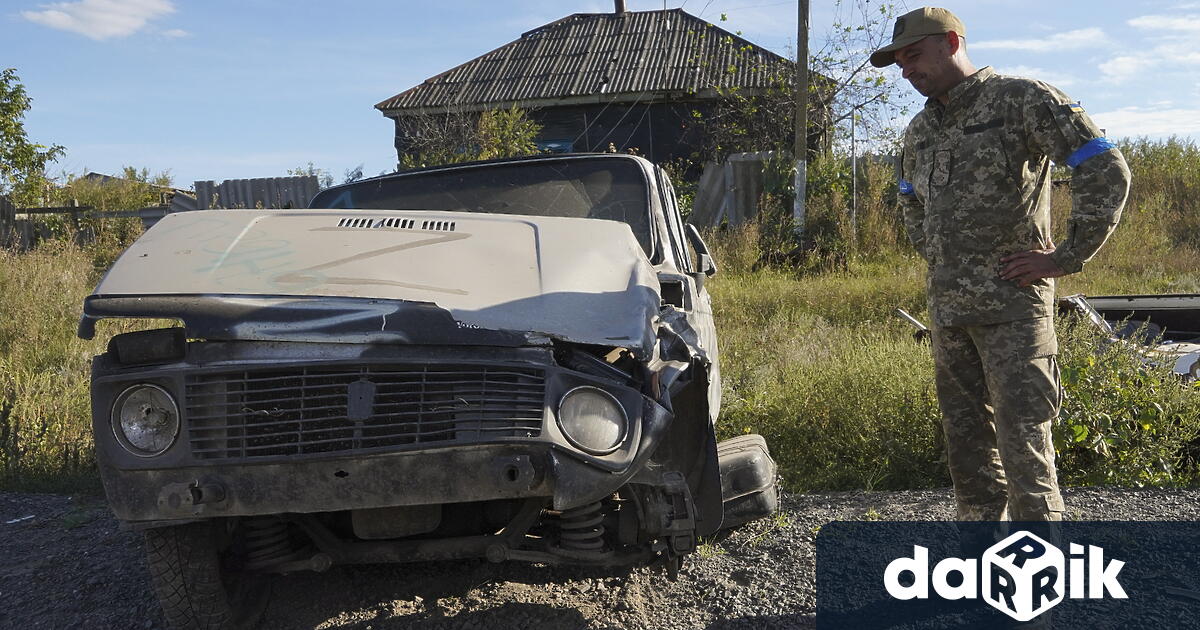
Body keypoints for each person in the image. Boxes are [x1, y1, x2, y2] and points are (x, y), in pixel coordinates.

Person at [870, 7, 1131, 522]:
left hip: (1014, 310)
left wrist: (1065, 257)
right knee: (968, 457)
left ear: (949, 43)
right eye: (899, 63)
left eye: (913, 56)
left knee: (1024, 450)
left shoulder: (1021, 99)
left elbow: (1105, 168)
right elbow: (909, 199)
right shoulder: (919, 129)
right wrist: (942, 260)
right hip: (949, 314)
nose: (906, 72)